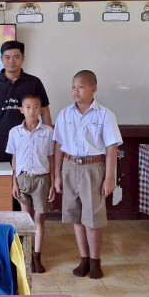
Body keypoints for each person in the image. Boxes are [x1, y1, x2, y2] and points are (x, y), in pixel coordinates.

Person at [53, 70, 122, 279]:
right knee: (76, 216)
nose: (76, 91)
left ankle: (95, 261)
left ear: (94, 89)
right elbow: (58, 145)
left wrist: (109, 178)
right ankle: (83, 259)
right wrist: (57, 175)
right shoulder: (65, 114)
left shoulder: (105, 115)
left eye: (81, 87)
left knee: (93, 218)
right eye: (73, 87)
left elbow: (111, 148)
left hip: (93, 167)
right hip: (70, 166)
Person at [6, 93, 55, 273]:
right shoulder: (15, 132)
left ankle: (37, 256)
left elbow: (51, 158)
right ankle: (26, 254)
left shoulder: (48, 132)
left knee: (39, 218)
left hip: (42, 179)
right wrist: (14, 183)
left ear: (40, 109)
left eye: (36, 107)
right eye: (27, 107)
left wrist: (52, 182)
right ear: (21, 110)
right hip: (22, 179)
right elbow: (14, 159)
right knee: (25, 219)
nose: (32, 111)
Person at [0, 40, 51, 164]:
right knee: (4, 176)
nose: (11, 61)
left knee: (29, 175)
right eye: (7, 57)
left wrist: (48, 141)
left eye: (16, 57)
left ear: (23, 58)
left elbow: (44, 112)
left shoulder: (34, 82)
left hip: (30, 142)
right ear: (1, 59)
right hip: (0, 144)